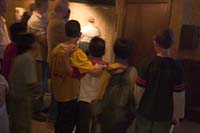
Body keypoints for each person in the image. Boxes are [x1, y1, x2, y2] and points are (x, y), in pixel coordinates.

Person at [49, 20, 103, 133]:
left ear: (65, 33)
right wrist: (106, 66)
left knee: (59, 121)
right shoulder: (77, 53)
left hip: (57, 92)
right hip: (69, 95)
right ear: (80, 34)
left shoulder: (57, 48)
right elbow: (93, 70)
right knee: (67, 125)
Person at [134, 28, 185, 133]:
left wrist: (136, 105)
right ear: (171, 44)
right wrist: (177, 115)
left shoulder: (146, 63)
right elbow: (179, 95)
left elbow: (139, 90)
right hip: (164, 115)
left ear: (155, 44)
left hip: (145, 111)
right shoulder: (177, 67)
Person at [96, 38, 137, 133]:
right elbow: (135, 96)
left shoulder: (108, 70)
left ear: (115, 51)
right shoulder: (133, 72)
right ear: (130, 53)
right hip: (124, 116)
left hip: (108, 116)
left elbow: (100, 95)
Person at [76, 37, 108, 133]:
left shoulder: (84, 65)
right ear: (104, 52)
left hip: (83, 99)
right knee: (96, 127)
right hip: (99, 101)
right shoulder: (107, 68)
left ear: (89, 50)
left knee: (82, 128)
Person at [9, 33, 39, 133]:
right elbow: (31, 82)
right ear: (31, 44)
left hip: (14, 96)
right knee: (23, 126)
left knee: (14, 124)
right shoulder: (28, 58)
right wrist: (37, 93)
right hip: (23, 98)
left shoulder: (18, 57)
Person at [47, 0, 70, 123]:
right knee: (58, 90)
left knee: (55, 88)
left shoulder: (52, 20)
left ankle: (53, 116)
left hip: (53, 57)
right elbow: (68, 40)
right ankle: (53, 118)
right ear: (64, 10)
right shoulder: (59, 23)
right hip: (58, 59)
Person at [27, 0, 48, 121]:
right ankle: (35, 112)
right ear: (43, 4)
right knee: (38, 85)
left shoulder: (40, 18)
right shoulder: (35, 20)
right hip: (38, 57)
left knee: (42, 84)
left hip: (41, 56)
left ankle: (39, 107)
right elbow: (44, 40)